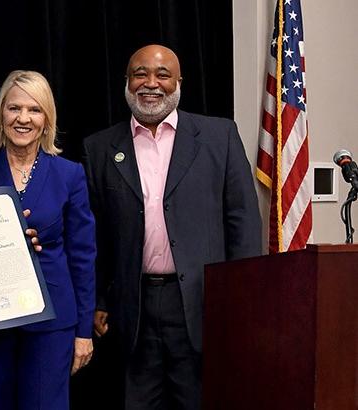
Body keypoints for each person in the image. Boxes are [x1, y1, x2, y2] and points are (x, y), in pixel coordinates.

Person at [83, 44, 261, 410]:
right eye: (140, 74)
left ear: (179, 82)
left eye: (162, 74)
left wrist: (241, 299)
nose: (151, 83)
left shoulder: (219, 137)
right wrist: (99, 299)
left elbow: (242, 220)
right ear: (127, 82)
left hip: (201, 304)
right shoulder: (100, 147)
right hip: (133, 307)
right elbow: (95, 234)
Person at [0, 70, 96, 409]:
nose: (23, 118)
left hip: (52, 321)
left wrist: (84, 331)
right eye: (14, 108)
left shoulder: (69, 174)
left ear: (47, 118)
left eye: (34, 109)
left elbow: (83, 257)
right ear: (2, 113)